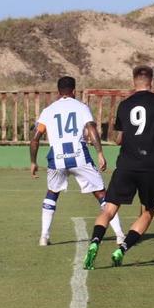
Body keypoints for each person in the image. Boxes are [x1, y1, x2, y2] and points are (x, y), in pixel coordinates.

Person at [83, 66, 154, 269]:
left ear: (134, 81)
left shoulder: (124, 105)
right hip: (149, 166)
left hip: (126, 165)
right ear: (151, 81)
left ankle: (95, 242)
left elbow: (117, 139)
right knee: (148, 212)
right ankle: (121, 249)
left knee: (109, 208)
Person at [30, 76, 125, 246]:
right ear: (74, 91)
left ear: (58, 92)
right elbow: (91, 128)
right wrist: (100, 153)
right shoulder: (81, 107)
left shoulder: (48, 110)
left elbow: (35, 138)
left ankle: (44, 236)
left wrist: (33, 161)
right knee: (102, 194)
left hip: (57, 158)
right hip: (80, 156)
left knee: (52, 193)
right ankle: (119, 234)